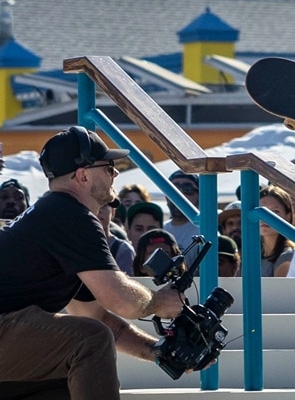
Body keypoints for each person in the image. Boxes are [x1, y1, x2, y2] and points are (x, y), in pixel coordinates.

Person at [0, 126, 186, 399]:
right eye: (109, 167)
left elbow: (95, 314)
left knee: (66, 377)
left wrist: (157, 351)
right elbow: (120, 300)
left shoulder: (55, 213)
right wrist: (159, 302)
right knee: (90, 340)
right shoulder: (70, 214)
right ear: (83, 175)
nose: (116, 174)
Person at [258, 185, 295, 277]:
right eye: (261, 211)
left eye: (275, 212)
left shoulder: (288, 256)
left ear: (288, 216)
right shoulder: (250, 254)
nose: (265, 218)